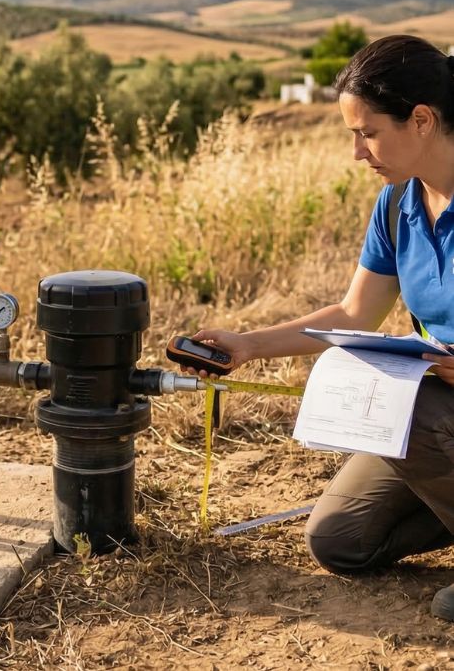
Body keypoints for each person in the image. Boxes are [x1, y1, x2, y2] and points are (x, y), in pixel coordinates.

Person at [189, 34, 454, 621]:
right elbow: (354, 315)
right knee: (341, 540)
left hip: (432, 410)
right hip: (439, 404)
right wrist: (247, 345)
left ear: (421, 120)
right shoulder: (397, 205)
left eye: (367, 133)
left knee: (413, 411)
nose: (357, 152)